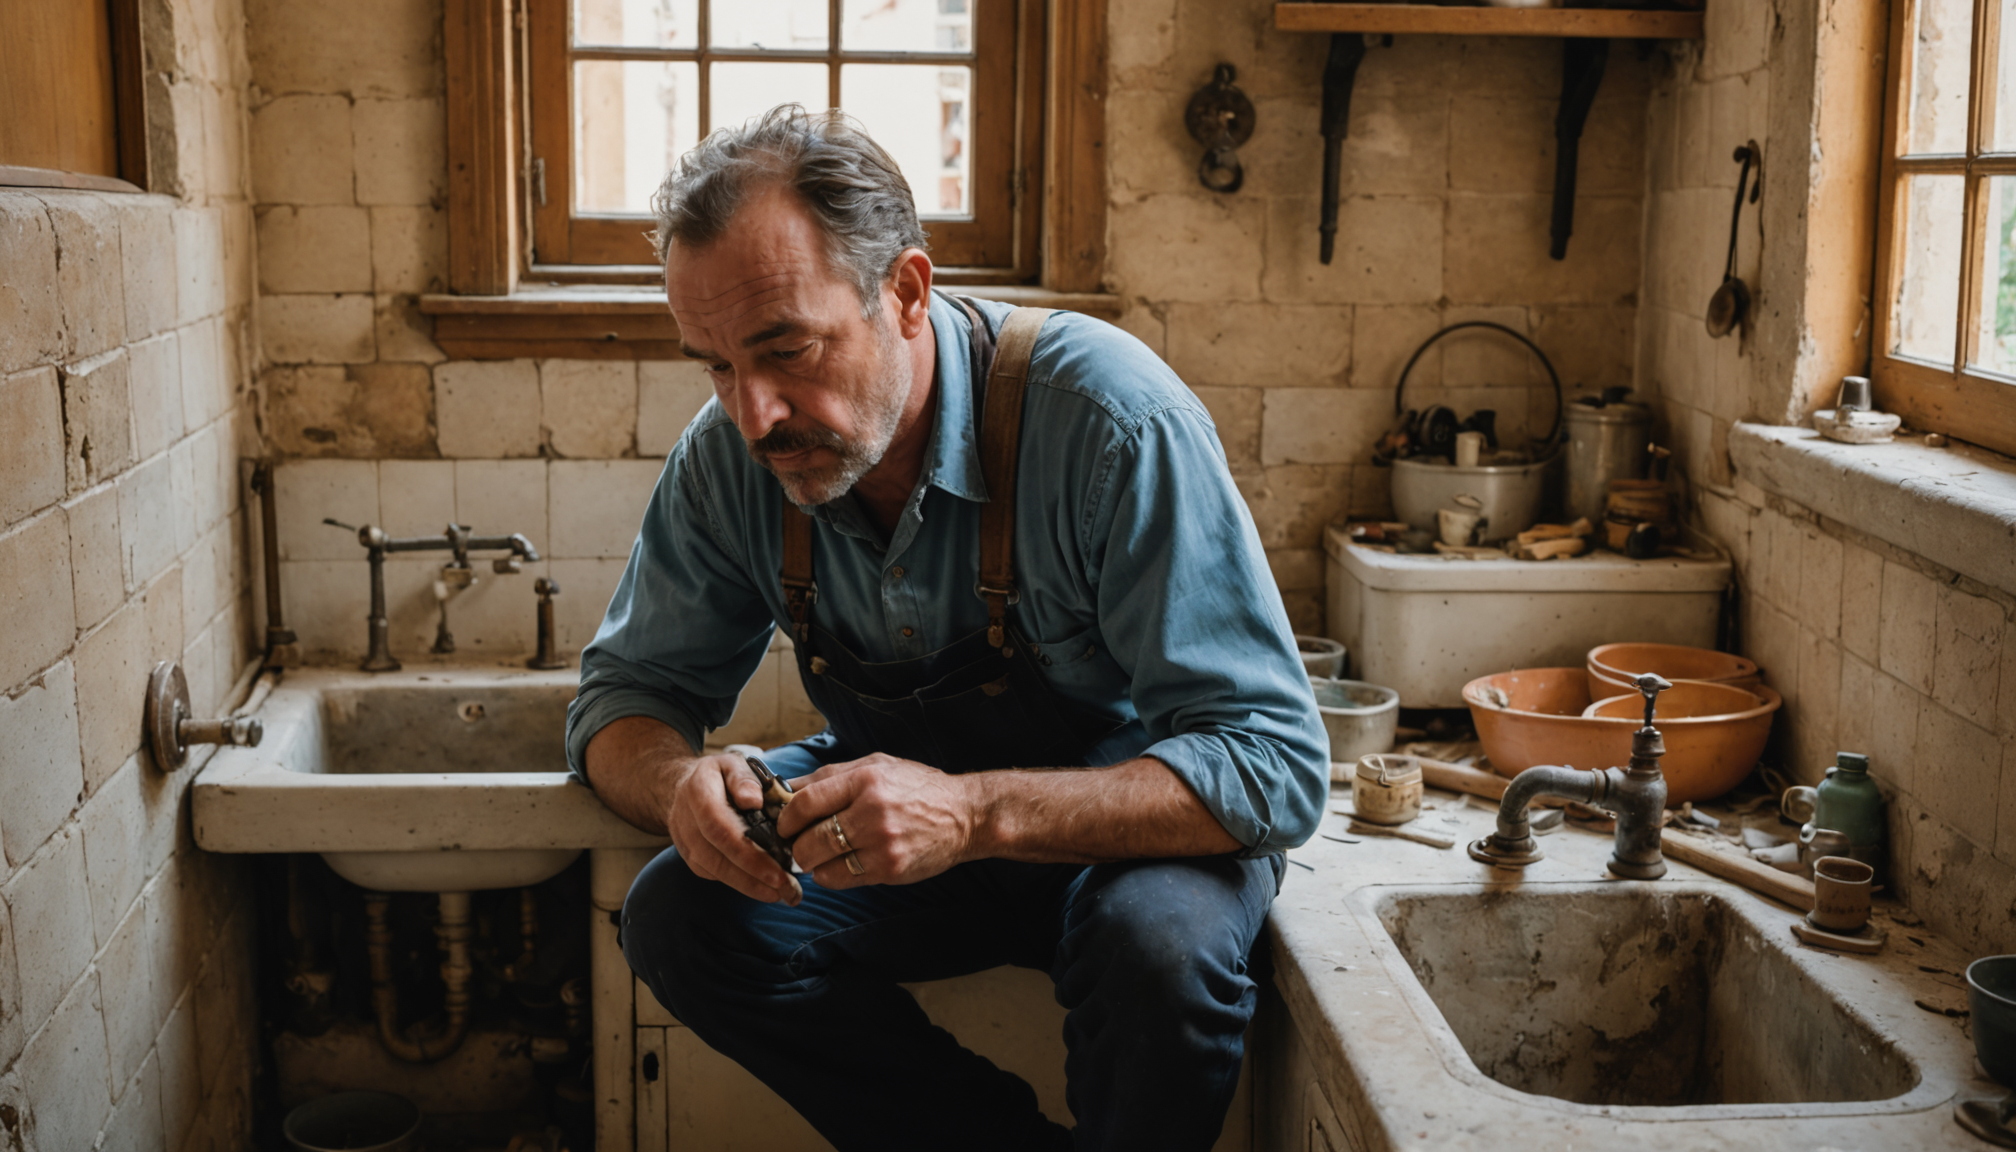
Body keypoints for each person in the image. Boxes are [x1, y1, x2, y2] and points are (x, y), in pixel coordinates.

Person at [567, 105, 1327, 1152]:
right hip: (908, 838)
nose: (756, 415)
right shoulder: (731, 461)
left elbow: (1272, 766)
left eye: (787, 351)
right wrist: (677, 787)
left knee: (1157, 947)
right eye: (715, 365)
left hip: (1134, 829)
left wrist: (971, 812)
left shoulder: (1110, 419)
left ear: (908, 294)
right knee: (678, 919)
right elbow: (622, 703)